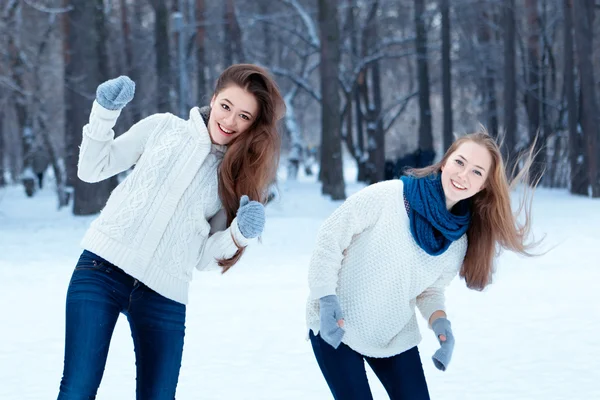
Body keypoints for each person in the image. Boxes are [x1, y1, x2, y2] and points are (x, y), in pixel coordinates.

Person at [57, 64, 285, 399]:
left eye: (244, 116)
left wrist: (239, 234)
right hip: (101, 271)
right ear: (213, 97)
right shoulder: (162, 127)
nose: (230, 121)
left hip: (164, 295)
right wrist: (104, 113)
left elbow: (206, 258)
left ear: (253, 124)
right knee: (77, 389)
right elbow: (94, 168)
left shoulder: (235, 176)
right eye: (226, 106)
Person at [306, 130, 540, 399]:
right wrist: (326, 298)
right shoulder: (389, 195)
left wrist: (440, 323)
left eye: (477, 172)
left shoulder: (456, 241)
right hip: (337, 322)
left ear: (484, 185)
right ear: (445, 162)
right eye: (460, 162)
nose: (463, 175)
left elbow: (430, 290)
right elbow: (330, 237)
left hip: (392, 334)